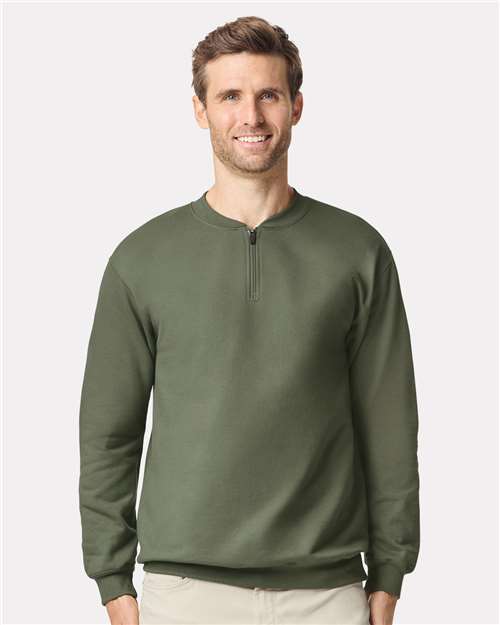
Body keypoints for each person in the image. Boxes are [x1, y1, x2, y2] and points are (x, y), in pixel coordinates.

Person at [78, 15, 420, 625]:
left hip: (327, 591)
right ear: (200, 110)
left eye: (269, 95)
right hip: (183, 591)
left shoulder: (358, 251)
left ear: (296, 106)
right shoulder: (141, 258)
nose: (251, 116)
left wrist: (390, 573)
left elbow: (390, 424)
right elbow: (108, 433)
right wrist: (113, 583)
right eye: (230, 96)